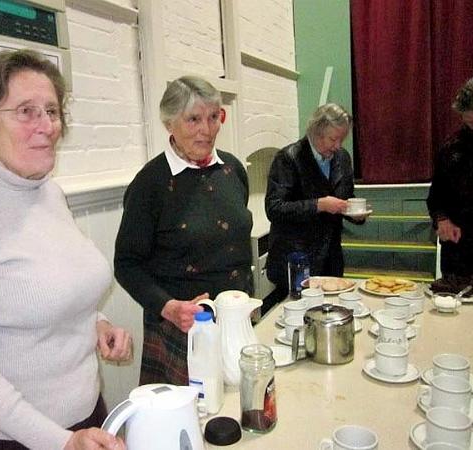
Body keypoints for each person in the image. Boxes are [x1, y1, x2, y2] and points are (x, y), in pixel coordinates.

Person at [0, 49, 131, 450]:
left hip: (85, 420)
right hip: (3, 438)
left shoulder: (49, 193)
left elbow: (53, 286)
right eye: (27, 111)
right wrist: (60, 442)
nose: (46, 125)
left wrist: (95, 323)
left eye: (52, 110)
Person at [114, 76, 253, 386]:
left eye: (213, 117)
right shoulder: (151, 183)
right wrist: (168, 307)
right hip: (181, 331)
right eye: (193, 119)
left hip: (235, 320)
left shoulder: (232, 170)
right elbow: (126, 264)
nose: (206, 129)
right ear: (169, 124)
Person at [265, 103, 364, 304]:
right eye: (333, 139)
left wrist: (355, 214)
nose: (338, 146)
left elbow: (346, 198)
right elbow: (274, 208)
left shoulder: (343, 158)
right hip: (296, 259)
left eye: (342, 139)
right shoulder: (289, 158)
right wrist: (318, 205)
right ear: (316, 132)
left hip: (331, 257)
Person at [427, 77, 473, 279]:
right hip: (458, 250)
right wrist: (442, 219)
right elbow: (436, 197)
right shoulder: (451, 148)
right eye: (469, 122)